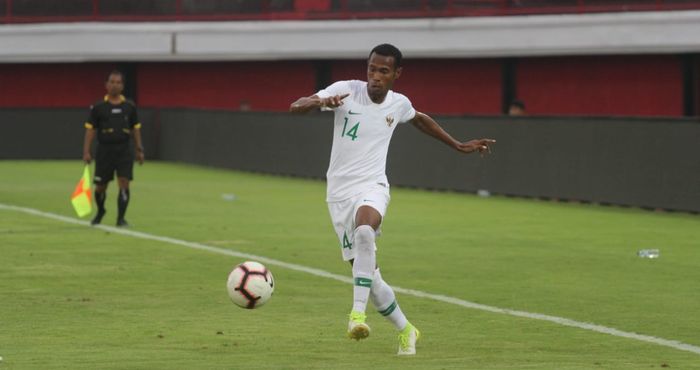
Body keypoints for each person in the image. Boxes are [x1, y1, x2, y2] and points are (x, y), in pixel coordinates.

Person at [289, 43, 495, 355]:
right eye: (372, 69)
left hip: (373, 186)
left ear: (397, 74)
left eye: (383, 71)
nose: (375, 76)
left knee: (365, 231)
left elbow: (420, 118)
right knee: (370, 279)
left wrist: (458, 145)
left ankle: (356, 316)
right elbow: (297, 105)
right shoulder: (345, 90)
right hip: (339, 194)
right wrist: (317, 102)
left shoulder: (398, 104)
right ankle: (407, 330)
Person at [82, 70, 144, 227]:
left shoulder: (129, 106)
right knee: (100, 187)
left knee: (124, 182)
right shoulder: (98, 107)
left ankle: (121, 218)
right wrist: (86, 151)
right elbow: (90, 129)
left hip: (124, 150)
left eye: (118, 82)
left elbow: (135, 128)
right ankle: (101, 210)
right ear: (106, 85)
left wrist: (139, 149)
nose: (114, 85)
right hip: (104, 151)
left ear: (122, 86)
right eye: (112, 82)